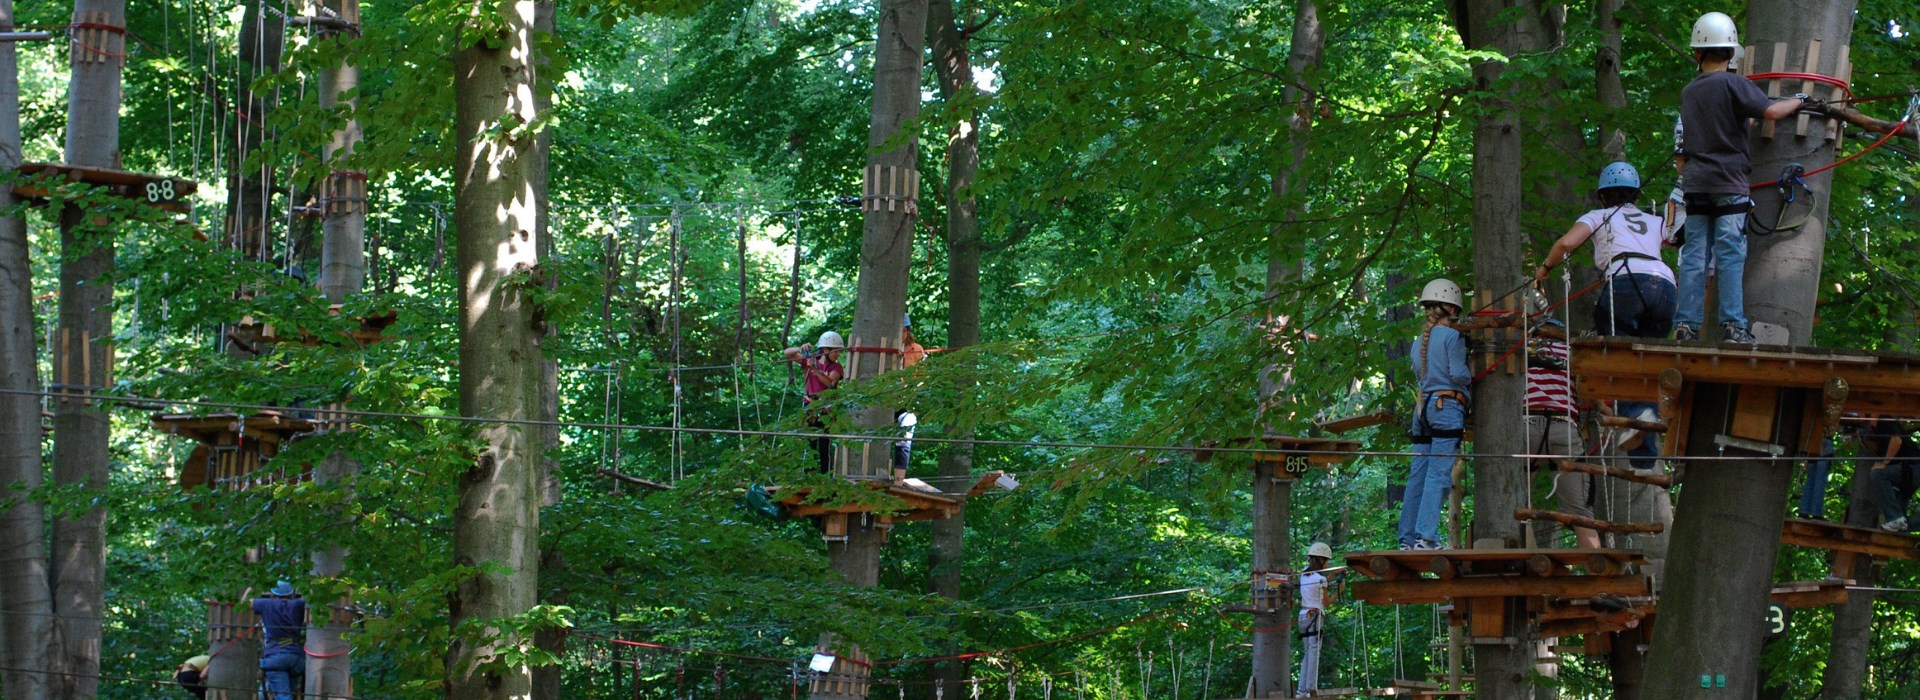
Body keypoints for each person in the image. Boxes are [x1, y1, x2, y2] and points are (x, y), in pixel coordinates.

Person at [1672, 11, 1811, 344]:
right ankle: (1734, 326)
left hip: (1695, 185)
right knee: (1730, 256)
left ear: (1697, 53)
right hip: (1728, 184)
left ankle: (1685, 326)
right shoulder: (1736, 84)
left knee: (1694, 256)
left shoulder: (1690, 92)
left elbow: (1710, 127)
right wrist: (1799, 99)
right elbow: (1772, 112)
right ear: (1731, 53)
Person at [1535, 162, 1676, 339]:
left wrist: (1546, 267)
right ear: (1636, 197)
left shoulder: (1598, 216)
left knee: (1613, 344)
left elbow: (1565, 244)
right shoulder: (1656, 220)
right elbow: (1676, 241)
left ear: (1602, 196)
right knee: (1652, 351)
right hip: (1665, 286)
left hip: (1626, 281)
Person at [1400, 279, 1468, 551]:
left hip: (1423, 409)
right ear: (1452, 308)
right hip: (1446, 407)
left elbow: (1423, 375)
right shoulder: (1453, 337)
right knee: (1439, 475)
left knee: (1419, 474)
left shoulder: (1418, 342)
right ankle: (1426, 536)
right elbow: (1458, 374)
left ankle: (1407, 538)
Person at [1523, 320, 1602, 549]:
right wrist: (1604, 409)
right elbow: (1589, 390)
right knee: (1579, 510)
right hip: (1563, 427)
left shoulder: (1521, 348)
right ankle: (1595, 572)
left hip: (1527, 424)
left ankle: (1521, 559)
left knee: (1515, 499)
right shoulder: (1570, 352)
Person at [785, 331, 845, 473]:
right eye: (835, 351)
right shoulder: (809, 361)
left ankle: (826, 476)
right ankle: (808, 476)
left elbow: (830, 383)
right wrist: (800, 349)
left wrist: (815, 369)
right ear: (825, 350)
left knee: (825, 444)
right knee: (810, 443)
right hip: (810, 404)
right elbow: (787, 353)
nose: (838, 355)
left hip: (826, 408)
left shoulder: (836, 367)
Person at [1861, 418, 1920, 532]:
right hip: (1907, 474)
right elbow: (1878, 449)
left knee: (1878, 474)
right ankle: (1898, 522)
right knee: (1901, 525)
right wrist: (1864, 440)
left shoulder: (1884, 420)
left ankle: (1895, 519)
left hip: (1913, 468)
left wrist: (1884, 463)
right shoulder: (1878, 430)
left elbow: (1896, 440)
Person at [253, 581, 307, 700]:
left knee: (283, 696)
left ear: (273, 594)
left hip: (276, 656)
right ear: (291, 594)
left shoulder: (266, 604)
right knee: (289, 694)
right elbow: (312, 597)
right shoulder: (298, 604)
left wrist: (252, 587)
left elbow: (244, 603)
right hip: (296, 658)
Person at [1296, 542, 1334, 696]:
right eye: (1327, 560)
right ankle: (1311, 689)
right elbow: (1326, 602)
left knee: (1308, 652)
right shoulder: (1321, 579)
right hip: (1315, 618)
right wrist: (1340, 591)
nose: (1328, 563)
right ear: (1320, 560)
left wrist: (1333, 576)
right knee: (1314, 653)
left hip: (1303, 616)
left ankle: (1301, 690)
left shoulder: (1304, 575)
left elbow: (1318, 584)